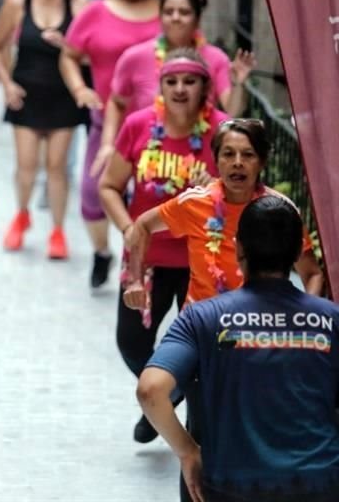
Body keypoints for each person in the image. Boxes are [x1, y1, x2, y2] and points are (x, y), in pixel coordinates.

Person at [138, 195, 339, 502]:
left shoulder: (201, 317)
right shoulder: (331, 319)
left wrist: (188, 452)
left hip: (230, 487)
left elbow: (151, 390)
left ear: (238, 248)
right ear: (298, 250)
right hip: (319, 483)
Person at [98, 50, 227, 443]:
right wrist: (129, 229)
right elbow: (109, 186)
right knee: (131, 341)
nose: (180, 89)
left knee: (201, 345)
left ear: (205, 87)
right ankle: (166, 394)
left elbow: (245, 188)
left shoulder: (221, 132)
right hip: (147, 259)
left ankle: (175, 411)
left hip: (203, 260)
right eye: (171, 81)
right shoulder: (139, 125)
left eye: (189, 81)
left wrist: (217, 184)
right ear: (161, 87)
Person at [125, 118, 323, 308]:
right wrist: (135, 280)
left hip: (258, 327)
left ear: (262, 162)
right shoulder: (194, 202)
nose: (237, 162)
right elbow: (142, 225)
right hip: (199, 324)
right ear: (217, 161)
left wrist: (304, 318)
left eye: (248, 154)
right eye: (228, 154)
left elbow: (312, 274)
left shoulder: (281, 210)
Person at [59, 0, 165, 288]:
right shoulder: (96, 11)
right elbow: (70, 55)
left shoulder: (170, 12)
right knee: (93, 193)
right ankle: (102, 250)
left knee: (150, 197)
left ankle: (141, 262)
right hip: (108, 125)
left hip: (160, 131)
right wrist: (79, 90)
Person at [0, 0, 87, 257]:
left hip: (63, 95)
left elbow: (89, 56)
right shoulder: (18, 2)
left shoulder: (80, 5)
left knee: (57, 167)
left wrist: (68, 44)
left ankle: (58, 231)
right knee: (26, 165)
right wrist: (6, 84)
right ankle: (22, 214)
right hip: (25, 93)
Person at [93, 0, 255, 176]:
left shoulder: (216, 58)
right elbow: (116, 101)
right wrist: (107, 145)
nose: (176, 18)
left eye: (184, 12)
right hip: (146, 158)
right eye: (169, 12)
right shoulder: (135, 57)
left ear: (197, 19)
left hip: (197, 161)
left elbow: (232, 112)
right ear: (160, 17)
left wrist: (239, 83)